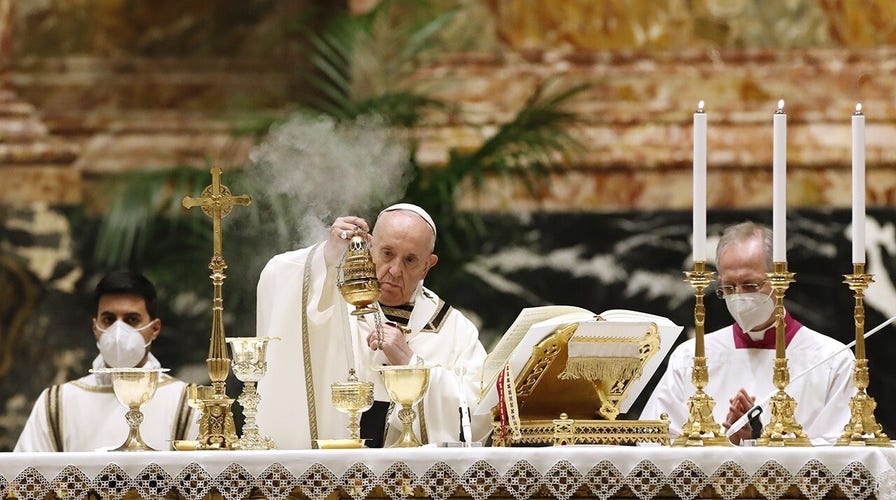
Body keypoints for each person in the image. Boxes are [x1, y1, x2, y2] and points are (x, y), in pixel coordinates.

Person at [256, 203, 491, 448]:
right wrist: (327, 255)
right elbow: (278, 278)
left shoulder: (453, 329)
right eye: (387, 253)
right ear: (369, 246)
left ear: (427, 266)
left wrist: (409, 362)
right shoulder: (332, 302)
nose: (395, 270)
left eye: (410, 260)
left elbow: (477, 413)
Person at [641, 221, 855, 445]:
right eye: (729, 288)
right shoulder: (690, 357)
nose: (739, 297)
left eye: (750, 285)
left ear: (781, 280)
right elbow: (653, 442)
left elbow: (843, 453)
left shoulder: (831, 359)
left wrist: (759, 442)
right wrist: (725, 443)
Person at [14, 270, 199, 452]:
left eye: (132, 319)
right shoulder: (57, 403)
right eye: (109, 319)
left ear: (155, 328)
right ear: (95, 327)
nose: (118, 331)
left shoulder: (187, 402)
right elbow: (24, 476)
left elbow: (205, 477)